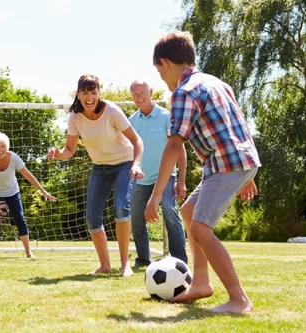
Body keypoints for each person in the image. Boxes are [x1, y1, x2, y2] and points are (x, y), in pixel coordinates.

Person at [145, 31, 261, 313]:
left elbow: (174, 145)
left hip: (227, 163)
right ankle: (200, 283)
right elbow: (239, 123)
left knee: (200, 227)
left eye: (160, 72)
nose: (163, 79)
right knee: (189, 211)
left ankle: (239, 300)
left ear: (165, 63)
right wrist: (249, 173)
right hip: (238, 160)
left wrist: (156, 195)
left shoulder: (183, 92)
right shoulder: (215, 83)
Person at [48, 74, 144, 277]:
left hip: (124, 165)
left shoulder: (112, 111)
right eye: (85, 93)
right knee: (92, 218)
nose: (90, 97)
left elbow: (137, 141)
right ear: (78, 95)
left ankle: (125, 263)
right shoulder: (75, 116)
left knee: (120, 207)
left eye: (93, 92)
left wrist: (136, 164)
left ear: (99, 93)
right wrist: (57, 155)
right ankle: (105, 265)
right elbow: (69, 150)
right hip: (99, 167)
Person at [128, 80, 188, 267]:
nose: (139, 97)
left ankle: (180, 261)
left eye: (142, 93)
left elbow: (180, 150)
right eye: (135, 95)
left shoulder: (166, 117)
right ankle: (143, 259)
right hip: (141, 180)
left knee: (169, 211)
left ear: (151, 92)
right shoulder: (131, 122)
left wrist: (182, 181)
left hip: (166, 177)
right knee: (136, 217)